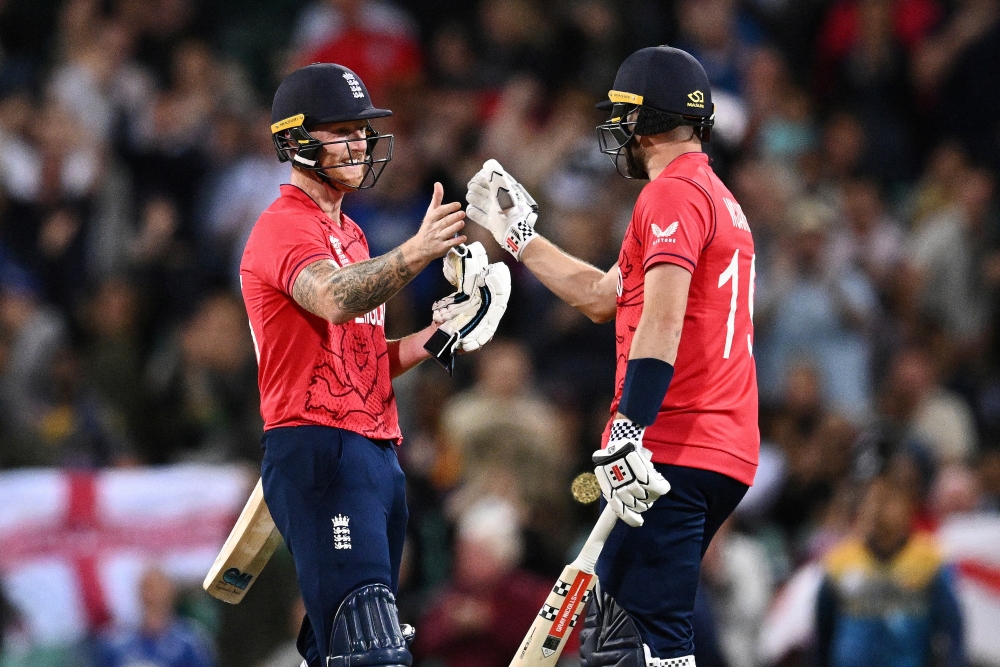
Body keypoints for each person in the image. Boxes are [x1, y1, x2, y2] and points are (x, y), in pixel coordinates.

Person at [466, 45, 759, 666]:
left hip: (672, 440)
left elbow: (663, 318)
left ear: (648, 121)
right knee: (626, 628)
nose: (618, 130)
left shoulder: (670, 196)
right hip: (718, 445)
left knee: (640, 640)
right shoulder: (712, 196)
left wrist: (631, 425)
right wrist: (519, 235)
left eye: (624, 115)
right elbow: (603, 298)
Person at [239, 63, 509, 667]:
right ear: (296, 140)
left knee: (346, 647)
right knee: (368, 649)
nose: (360, 142)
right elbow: (334, 298)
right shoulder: (282, 227)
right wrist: (417, 251)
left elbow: (360, 362)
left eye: (362, 130)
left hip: (375, 451)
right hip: (320, 449)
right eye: (342, 131)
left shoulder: (353, 235)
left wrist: (440, 336)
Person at [816, 477, 964, 667]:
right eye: (870, 502)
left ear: (907, 507)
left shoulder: (930, 561)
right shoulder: (839, 562)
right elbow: (823, 631)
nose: (877, 510)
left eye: (886, 501)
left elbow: (951, 628)